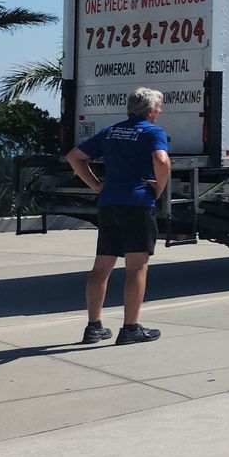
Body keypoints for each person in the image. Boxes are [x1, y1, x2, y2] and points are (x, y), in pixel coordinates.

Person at [65, 87, 171, 345]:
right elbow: (162, 159)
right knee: (136, 267)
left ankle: (94, 327)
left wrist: (96, 186)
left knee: (102, 266)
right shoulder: (151, 131)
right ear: (149, 111)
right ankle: (130, 328)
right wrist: (159, 187)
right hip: (136, 203)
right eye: (158, 108)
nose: (160, 112)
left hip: (109, 202)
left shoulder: (111, 131)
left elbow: (74, 157)